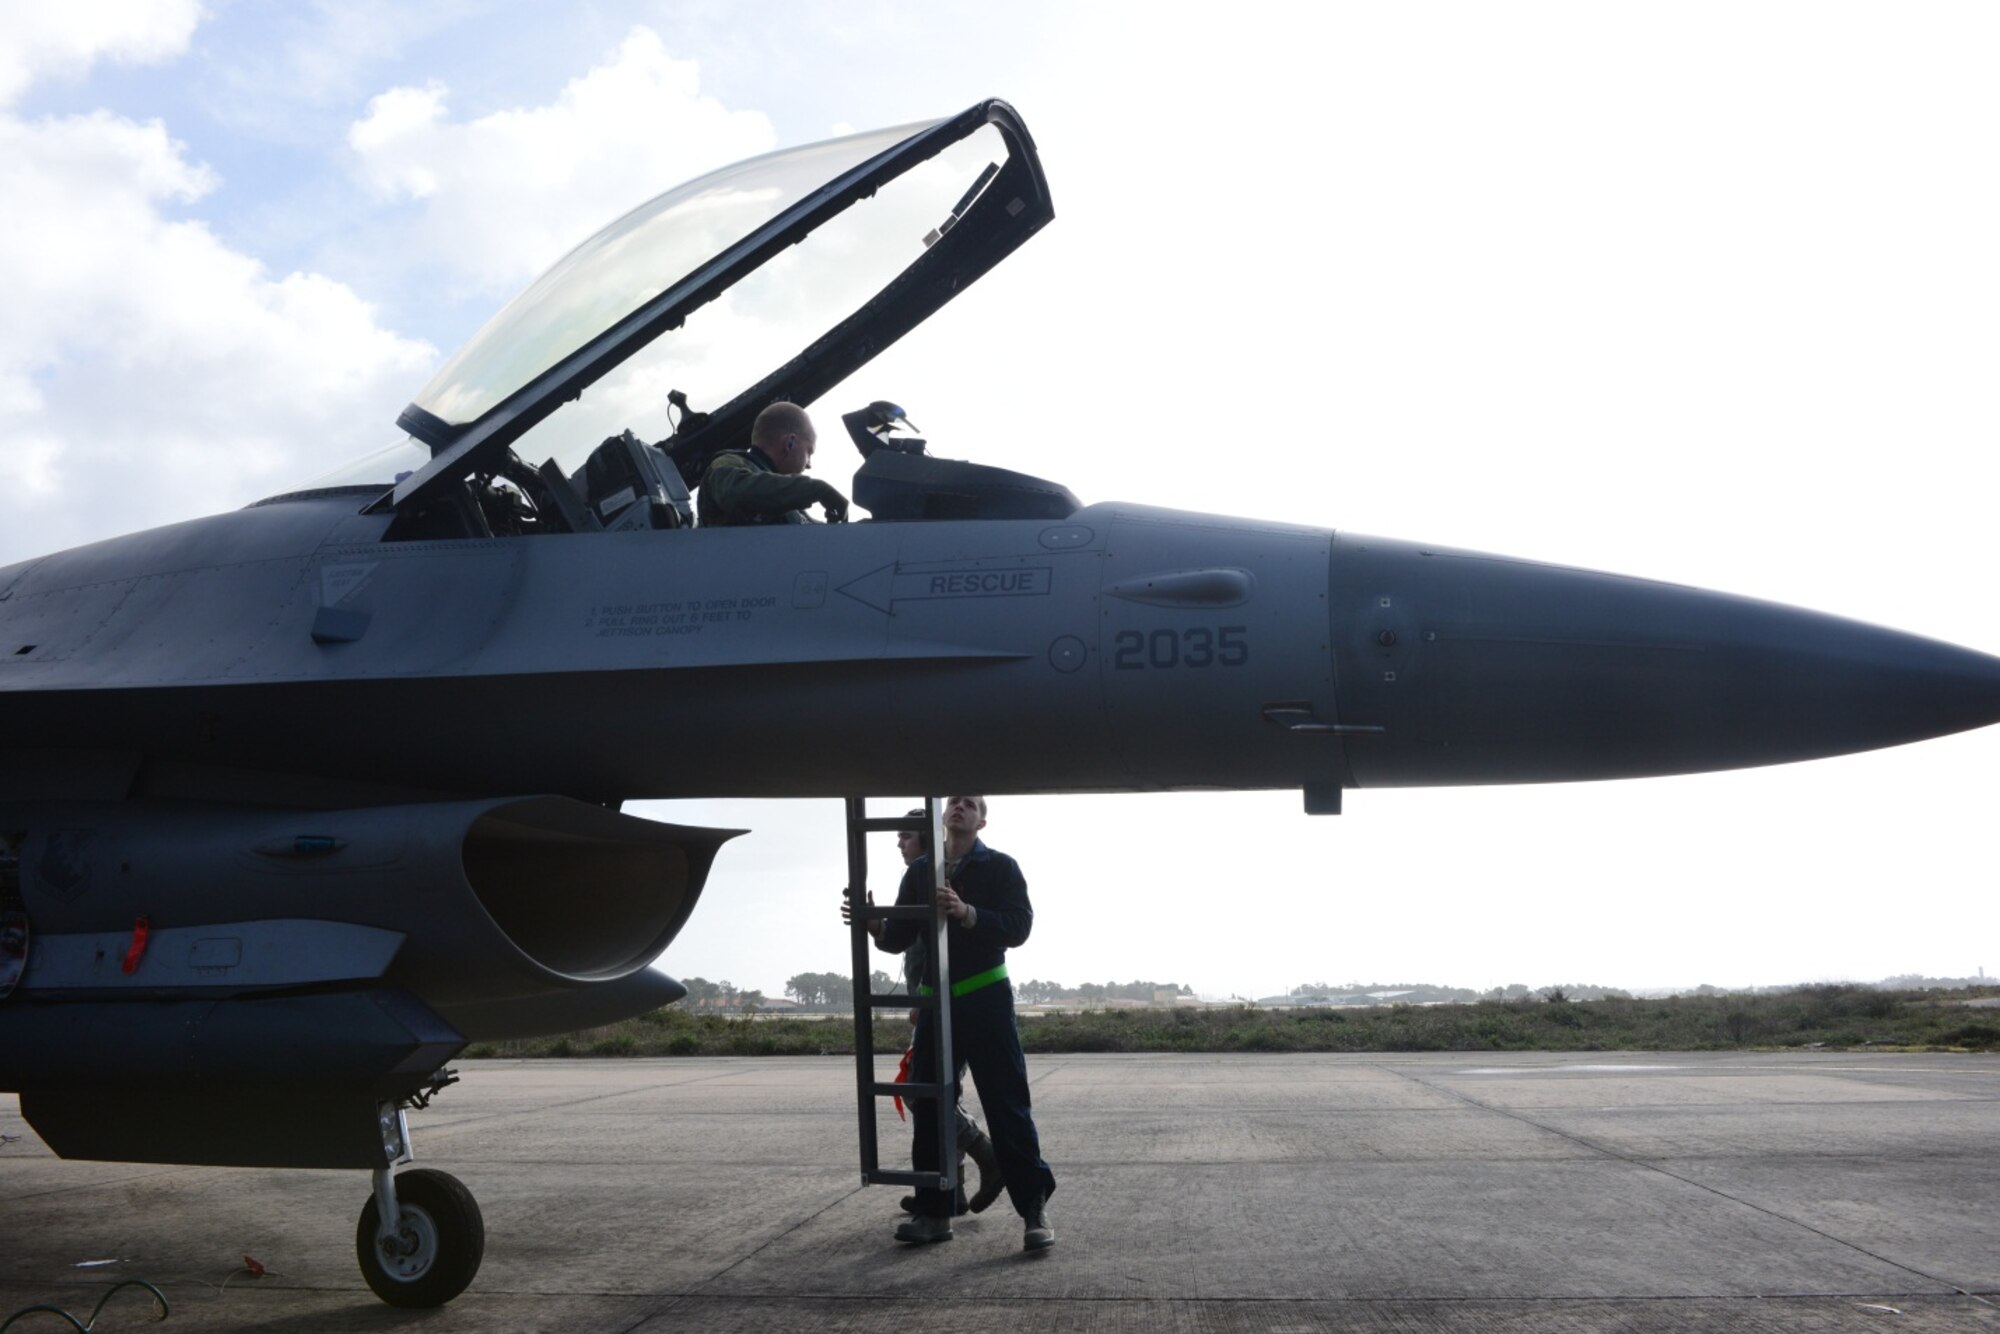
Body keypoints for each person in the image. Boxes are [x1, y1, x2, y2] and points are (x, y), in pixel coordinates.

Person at [878, 795, 1055, 1251]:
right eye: (954, 801)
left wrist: (967, 912)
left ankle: (1033, 1209)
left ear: (982, 819)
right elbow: (896, 940)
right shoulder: (919, 873)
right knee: (931, 1103)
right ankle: (934, 1213)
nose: (960, 807)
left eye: (970, 803)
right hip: (937, 1005)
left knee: (1006, 1103)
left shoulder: (1000, 867)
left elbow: (1019, 927)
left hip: (986, 998)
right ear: (943, 816)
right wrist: (868, 919)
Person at [844, 811, 1004, 1217]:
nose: (900, 845)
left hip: (947, 1007)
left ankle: (982, 1156)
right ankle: (951, 1189)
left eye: (906, 838)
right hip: (933, 1006)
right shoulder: (918, 886)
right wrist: (877, 924)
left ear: (927, 843)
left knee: (924, 1093)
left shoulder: (932, 888)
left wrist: (920, 1002)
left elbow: (926, 954)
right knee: (937, 1092)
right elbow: (903, 943)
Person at [696, 400, 850, 526]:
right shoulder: (727, 464)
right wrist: (817, 489)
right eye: (809, 452)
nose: (809, 464)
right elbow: (735, 493)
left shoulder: (784, 500)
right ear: (790, 443)